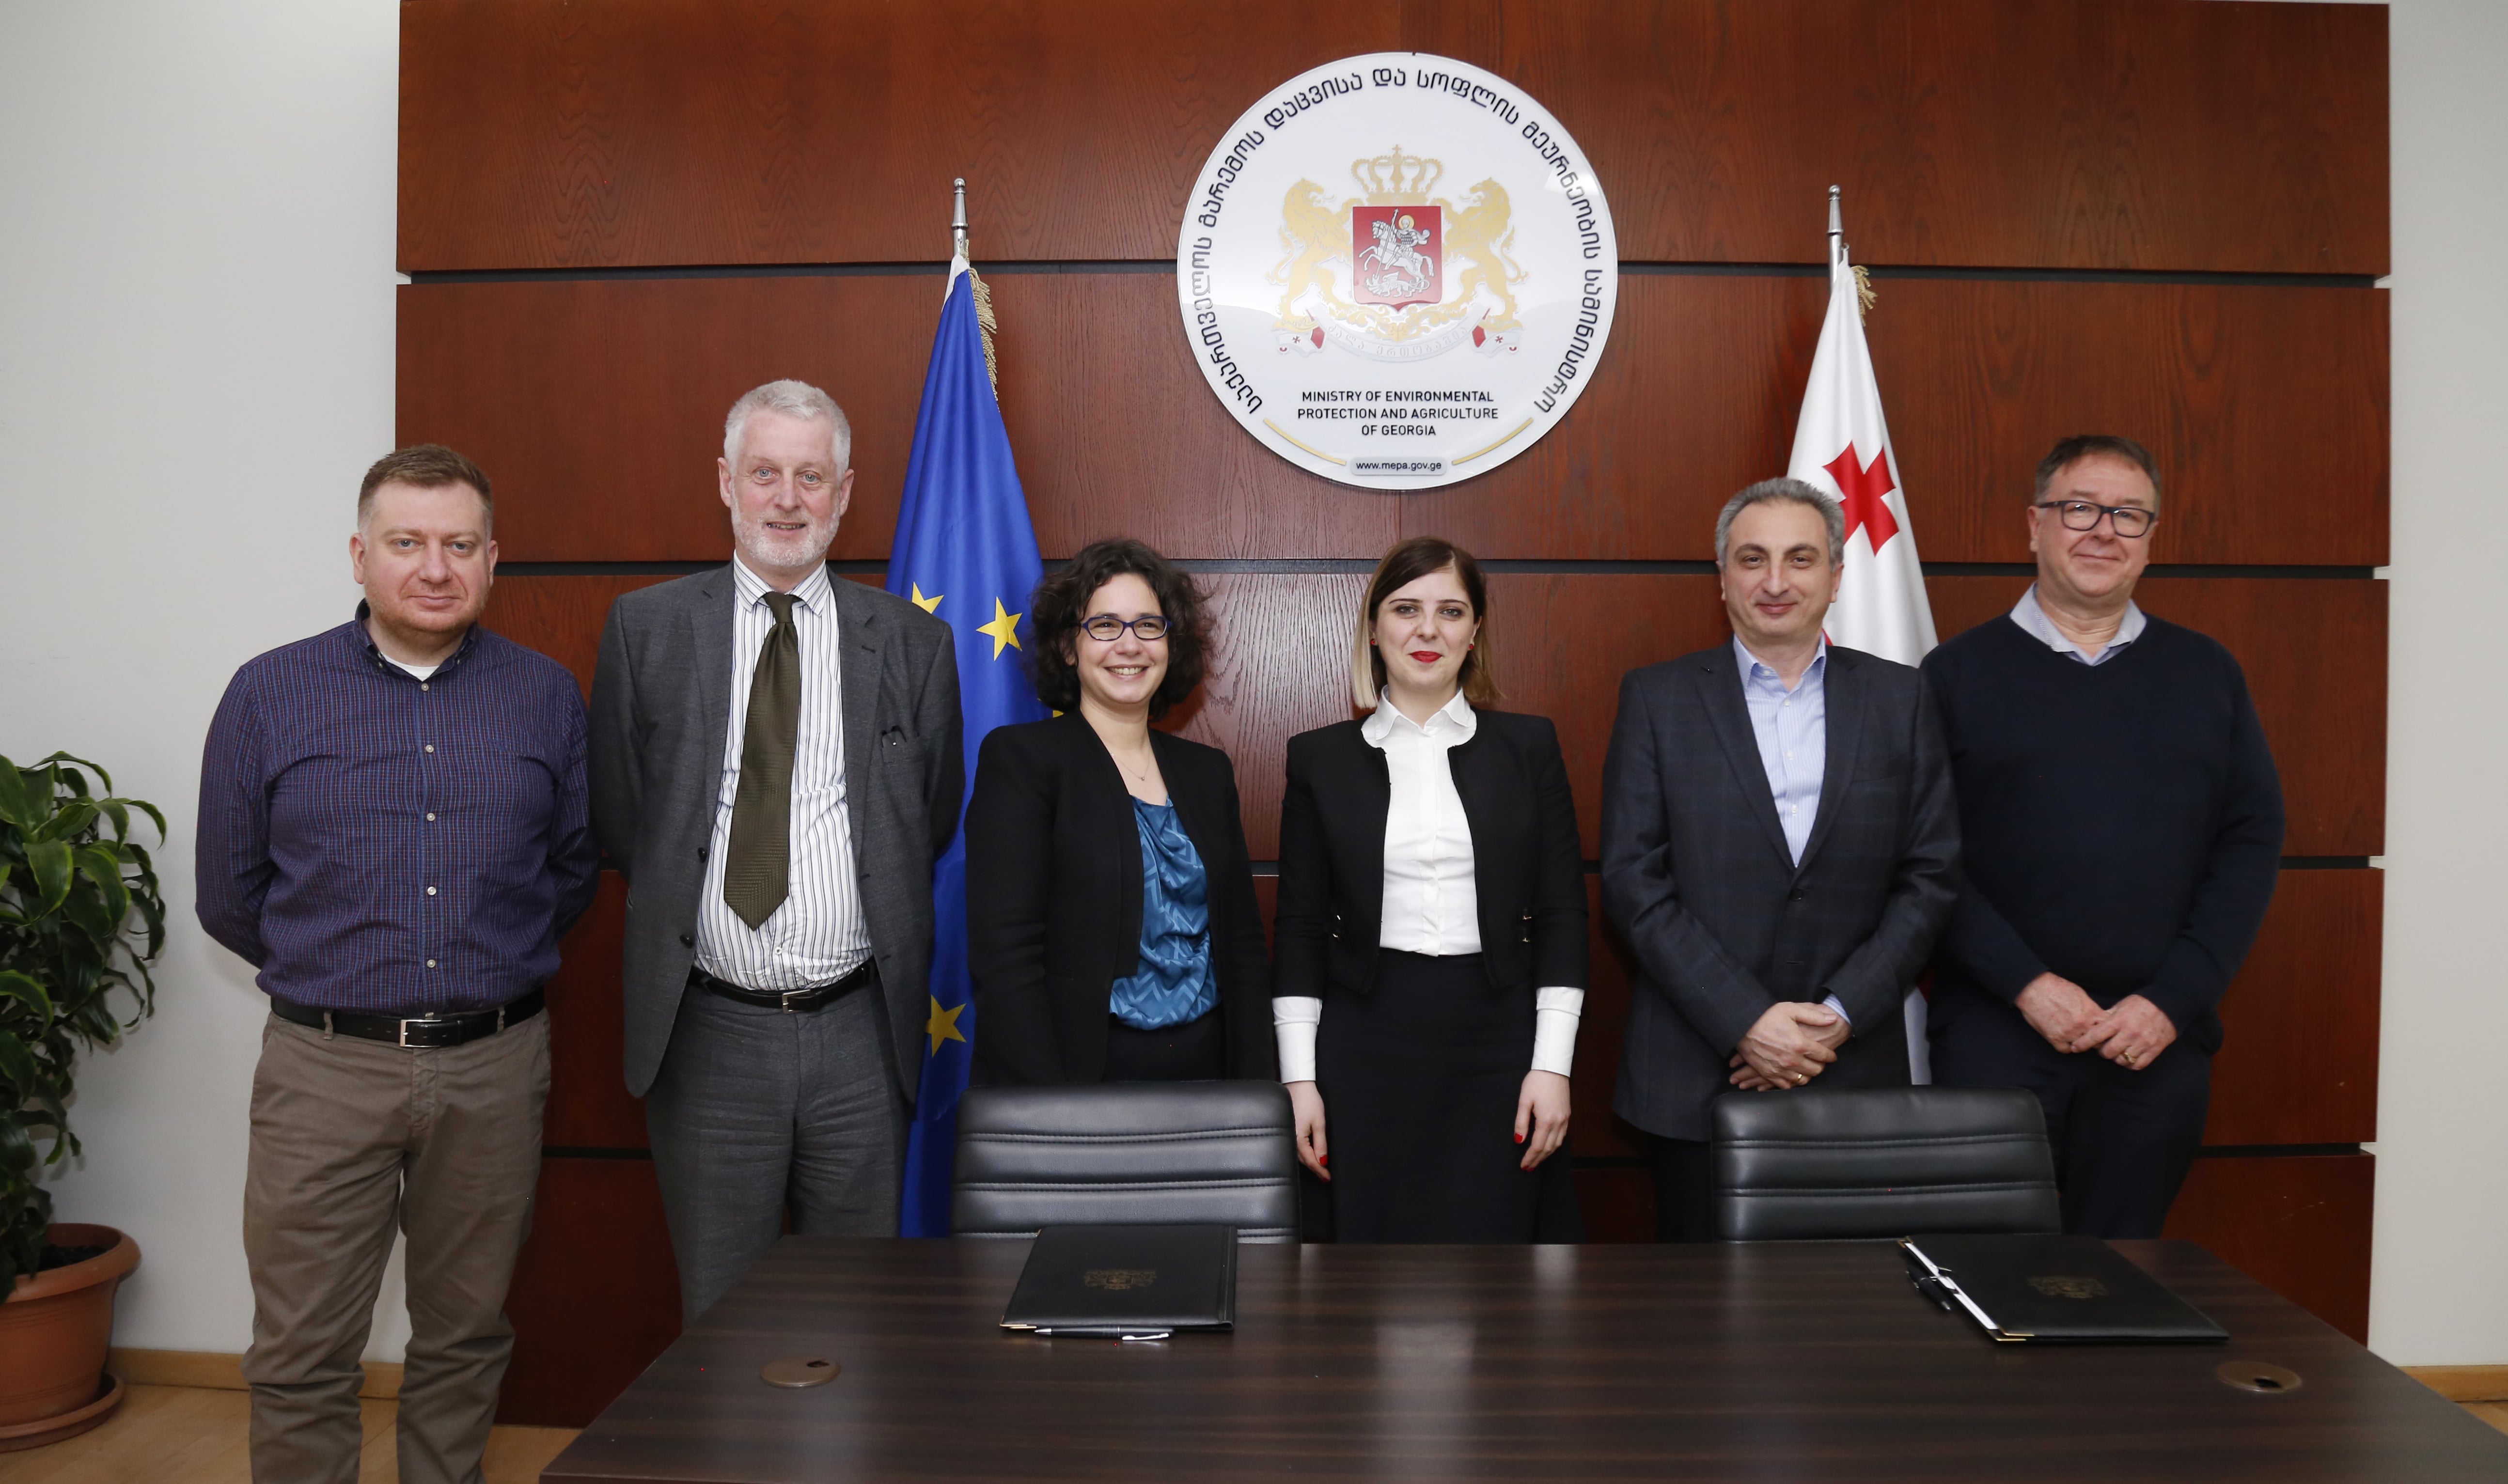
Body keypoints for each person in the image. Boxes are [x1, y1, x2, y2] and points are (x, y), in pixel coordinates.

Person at [196, 445, 597, 1484]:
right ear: (359, 554)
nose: (434, 567)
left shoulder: (545, 695)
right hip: (325, 1068)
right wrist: (342, 974)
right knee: (302, 1348)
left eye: (460, 544)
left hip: (493, 1067)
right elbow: (229, 893)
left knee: (466, 1333)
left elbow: (568, 871)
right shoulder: (270, 691)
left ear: (492, 558)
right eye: (407, 542)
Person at [588, 379, 961, 1321]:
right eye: (764, 473)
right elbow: (627, 820)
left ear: (844, 492)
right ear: (726, 482)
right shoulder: (646, 627)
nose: (787, 499)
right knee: (721, 1317)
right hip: (710, 1032)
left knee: (856, 1314)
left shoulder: (913, 643)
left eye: (810, 476)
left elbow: (929, 817)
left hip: (862, 1036)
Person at [1923, 435, 2283, 1237]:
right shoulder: (1954, 673)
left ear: (2150, 538)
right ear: (2035, 525)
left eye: (2128, 515)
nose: (2103, 531)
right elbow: (1926, 856)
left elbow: (2251, 841)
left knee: (2120, 1280)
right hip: (1998, 1034)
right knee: (1992, 1279)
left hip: (2153, 1040)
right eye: (2080, 508)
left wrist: (2171, 1000)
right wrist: (2027, 984)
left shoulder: (2207, 673)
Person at [1601, 478, 1959, 1242]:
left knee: (1845, 1302)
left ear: (1836, 575)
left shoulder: (1901, 698)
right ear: (1722, 577)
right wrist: (1746, 1019)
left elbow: (1930, 876)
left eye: (1800, 558)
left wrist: (1837, 1016)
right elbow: (1634, 880)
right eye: (1752, 558)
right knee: (1702, 1302)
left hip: (1852, 1065)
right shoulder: (1659, 698)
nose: (1775, 580)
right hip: (1698, 1072)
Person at [1271, 536, 1587, 1242]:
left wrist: (1552, 1066)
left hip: (1501, 1040)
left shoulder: (1530, 747)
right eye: (1405, 608)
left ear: (1474, 632)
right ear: (1374, 628)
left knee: (1498, 1257)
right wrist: (1298, 1080)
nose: (1427, 630)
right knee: (1367, 1262)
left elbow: (1563, 914)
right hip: (1364, 1041)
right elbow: (1299, 927)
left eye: (1450, 611)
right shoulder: (1319, 758)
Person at [964, 539, 1270, 1082]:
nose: (1129, 645)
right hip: (1078, 1076)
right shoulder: (1023, 761)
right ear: (1068, 646)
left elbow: (1242, 945)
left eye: (1148, 626)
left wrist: (1256, 1085)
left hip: (1210, 1076)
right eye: (1105, 625)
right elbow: (1005, 957)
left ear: (1171, 644)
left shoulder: (1207, 773)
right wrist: (1053, 1109)